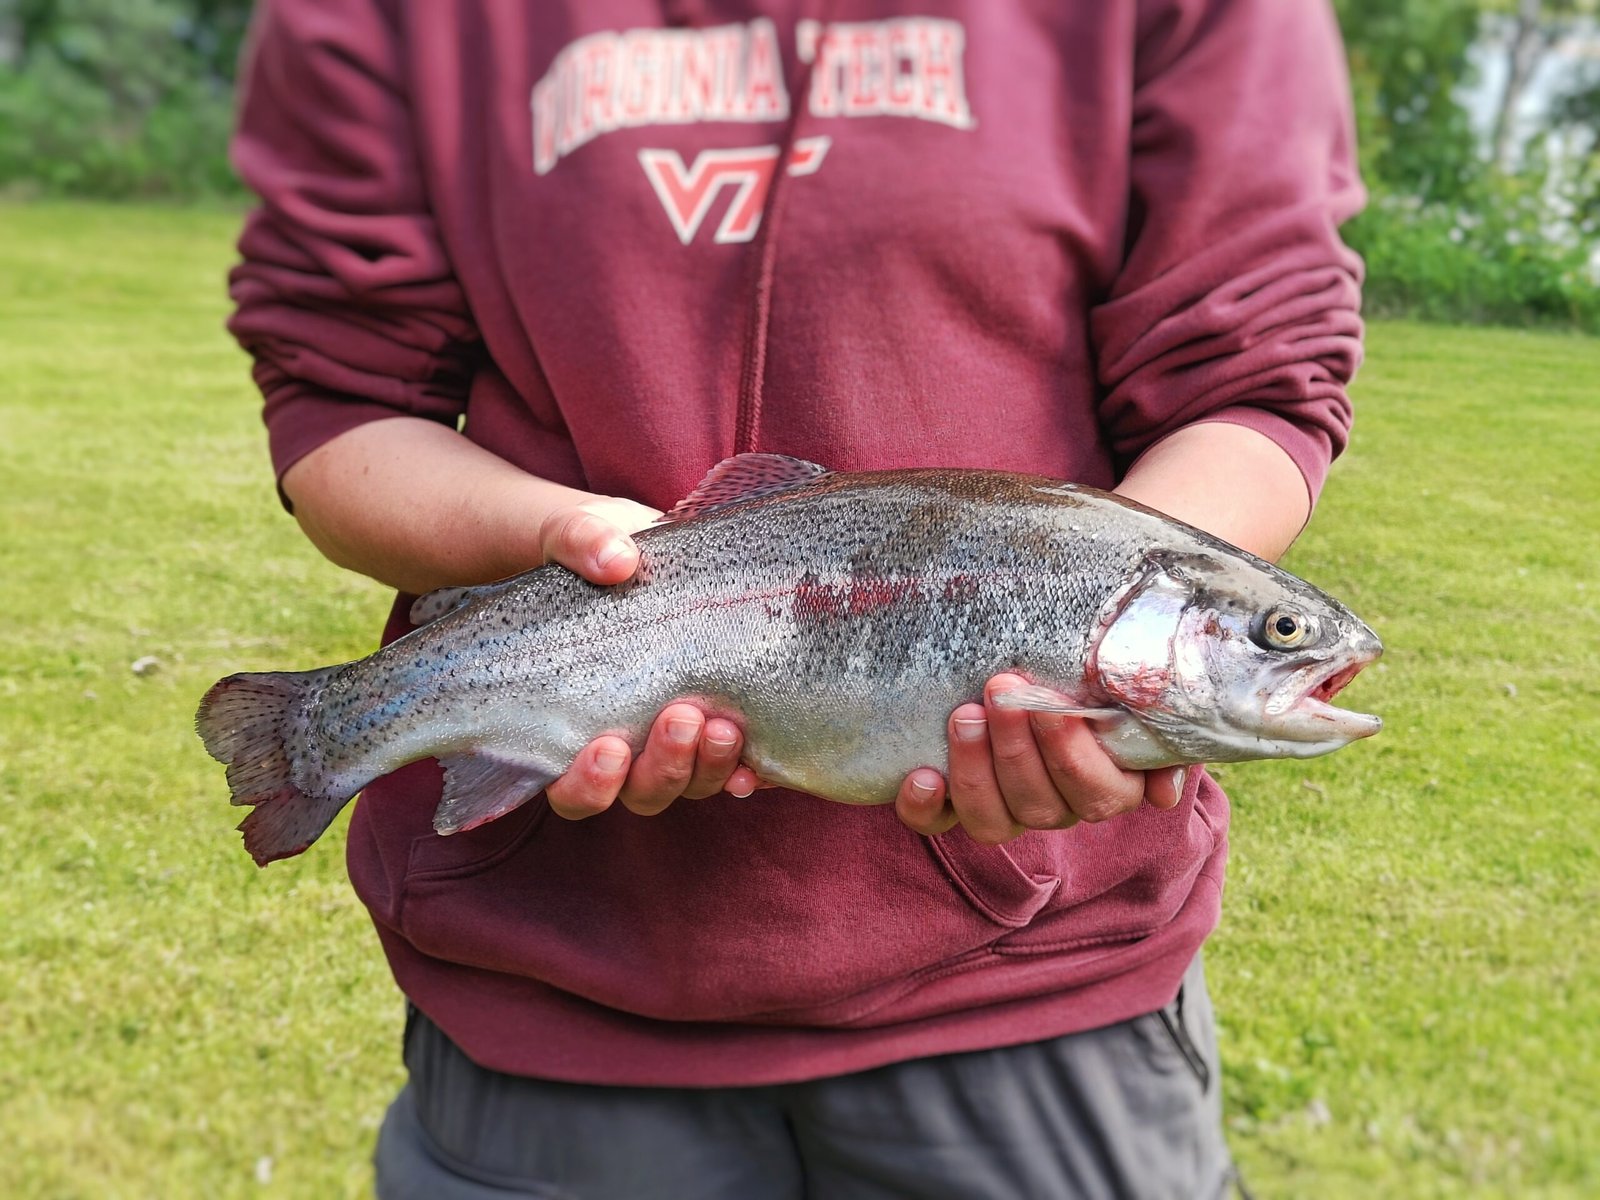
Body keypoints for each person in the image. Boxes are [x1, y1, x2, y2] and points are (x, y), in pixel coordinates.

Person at [227, 1, 1364, 1195]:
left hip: (1044, 995)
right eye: (1278, 633)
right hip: (552, 998)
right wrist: (553, 537)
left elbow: (1254, 374)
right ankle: (324, 730)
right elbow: (339, 402)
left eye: (1273, 632)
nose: (1295, 650)